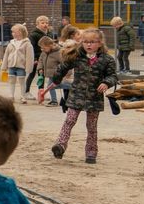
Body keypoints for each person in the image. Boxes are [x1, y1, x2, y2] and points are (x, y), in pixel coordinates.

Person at [40, 27, 118, 164]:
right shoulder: (76, 56)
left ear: (100, 43)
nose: (89, 44)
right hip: (76, 94)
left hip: (95, 97)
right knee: (69, 120)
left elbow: (113, 75)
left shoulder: (107, 59)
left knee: (91, 126)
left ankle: (91, 152)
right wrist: (55, 80)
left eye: (92, 42)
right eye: (85, 42)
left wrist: (106, 83)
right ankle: (60, 145)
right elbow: (62, 67)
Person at [0, 24, 34, 104]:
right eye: (12, 32)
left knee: (22, 81)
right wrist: (4, 66)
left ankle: (23, 96)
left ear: (20, 32)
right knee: (11, 80)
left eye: (14, 32)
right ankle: (11, 96)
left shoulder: (27, 44)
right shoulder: (11, 43)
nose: (12, 33)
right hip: (11, 65)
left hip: (21, 66)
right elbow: (6, 55)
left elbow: (30, 57)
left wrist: (29, 68)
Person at [24, 15, 51, 99]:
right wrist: (34, 59)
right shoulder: (34, 34)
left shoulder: (49, 34)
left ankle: (41, 93)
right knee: (31, 75)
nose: (45, 24)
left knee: (41, 76)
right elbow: (31, 47)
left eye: (46, 23)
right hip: (36, 58)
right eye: (42, 23)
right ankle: (26, 92)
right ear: (37, 24)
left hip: (45, 58)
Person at [36, 36, 61, 107]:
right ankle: (54, 100)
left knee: (50, 87)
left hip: (55, 74)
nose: (42, 49)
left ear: (50, 45)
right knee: (51, 86)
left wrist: (60, 72)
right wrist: (40, 68)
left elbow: (63, 63)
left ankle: (54, 101)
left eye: (44, 47)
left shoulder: (58, 53)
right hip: (49, 74)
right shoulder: (44, 52)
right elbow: (40, 60)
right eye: (41, 48)